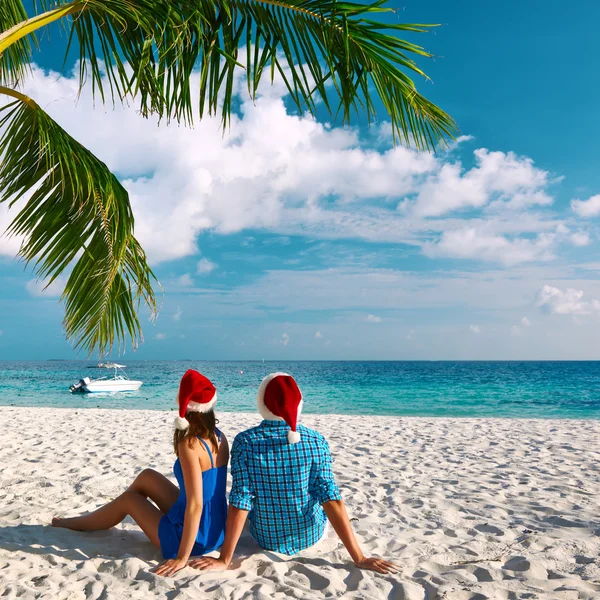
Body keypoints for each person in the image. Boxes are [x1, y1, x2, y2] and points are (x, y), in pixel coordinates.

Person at [190, 372, 398, 575]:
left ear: (261, 403)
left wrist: (224, 560)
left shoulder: (246, 441)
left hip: (265, 537)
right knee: (327, 492)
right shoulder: (316, 440)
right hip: (310, 536)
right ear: (298, 405)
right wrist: (359, 558)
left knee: (245, 495)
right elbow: (331, 499)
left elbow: (241, 500)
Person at [52, 369, 229, 577]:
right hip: (216, 529)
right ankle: (111, 513)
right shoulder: (220, 437)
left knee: (128, 499)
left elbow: (196, 504)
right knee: (147, 476)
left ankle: (77, 523)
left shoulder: (189, 443)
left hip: (193, 538)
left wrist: (182, 558)